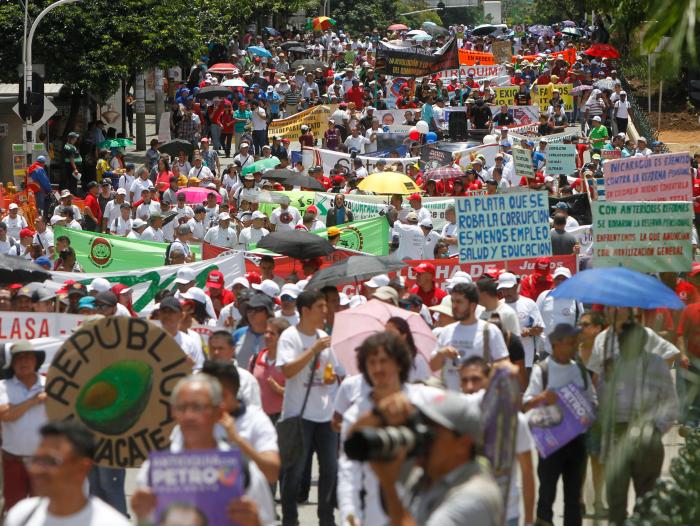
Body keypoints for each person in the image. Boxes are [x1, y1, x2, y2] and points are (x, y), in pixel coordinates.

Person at [130, 375, 275, 526]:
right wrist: (143, 517)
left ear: (219, 412)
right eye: (181, 407)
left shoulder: (243, 471)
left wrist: (255, 522)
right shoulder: (153, 471)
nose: (189, 415)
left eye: (198, 407)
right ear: (173, 412)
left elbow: (268, 521)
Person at [586, 308, 679, 525]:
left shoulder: (655, 364)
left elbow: (671, 404)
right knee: (616, 498)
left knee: (646, 498)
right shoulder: (610, 365)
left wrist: (656, 430)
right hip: (616, 436)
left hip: (648, 436)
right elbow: (599, 399)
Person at [337, 332, 442, 525]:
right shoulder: (355, 415)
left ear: (400, 363)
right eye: (371, 362)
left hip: (425, 510)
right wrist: (349, 515)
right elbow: (348, 471)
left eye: (384, 361)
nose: (378, 368)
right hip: (376, 515)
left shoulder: (426, 400)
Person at [355, 389, 503, 525]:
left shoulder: (475, 496)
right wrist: (379, 413)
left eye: (432, 432)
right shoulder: (427, 476)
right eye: (421, 426)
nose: (423, 437)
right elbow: (356, 444)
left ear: (463, 444)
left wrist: (389, 486)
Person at [276, 290, 340, 526]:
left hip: (325, 414)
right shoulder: (290, 337)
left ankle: (326, 519)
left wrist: (330, 377)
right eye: (321, 306)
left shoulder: (323, 335)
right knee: (294, 471)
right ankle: (290, 520)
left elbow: (330, 369)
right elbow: (287, 371)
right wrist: (313, 350)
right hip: (298, 415)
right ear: (305, 311)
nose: (326, 310)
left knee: (330, 470)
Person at [523, 323, 597, 526]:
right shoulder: (542, 370)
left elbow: (593, 401)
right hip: (550, 442)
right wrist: (543, 397)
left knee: (573, 495)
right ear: (556, 344)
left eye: (575, 342)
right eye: (570, 342)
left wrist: (587, 412)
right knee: (546, 492)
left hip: (577, 442)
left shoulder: (580, 370)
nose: (575, 346)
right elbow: (526, 403)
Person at [5, 421, 130, 526]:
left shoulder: (111, 522)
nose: (36, 470)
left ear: (83, 467)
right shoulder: (22, 515)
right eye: (36, 460)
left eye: (50, 461)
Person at [460, 356, 535, 526]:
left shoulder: (515, 420)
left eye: (476, 379)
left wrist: (529, 521)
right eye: (464, 380)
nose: (470, 386)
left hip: (506, 514)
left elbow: (527, 472)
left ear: (488, 382)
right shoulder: (457, 416)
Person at [430, 282, 510, 391]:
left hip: (480, 401)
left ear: (472, 306)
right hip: (451, 400)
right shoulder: (446, 331)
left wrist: (481, 371)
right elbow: (433, 367)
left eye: (459, 302)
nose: (454, 306)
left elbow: (505, 366)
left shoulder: (490, 331)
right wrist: (442, 353)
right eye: (453, 301)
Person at [498, 272, 546, 373]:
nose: (505, 293)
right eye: (503, 289)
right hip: (504, 361)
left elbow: (540, 328)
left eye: (508, 289)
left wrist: (529, 331)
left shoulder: (529, 304)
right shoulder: (497, 306)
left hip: (526, 360)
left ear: (516, 286)